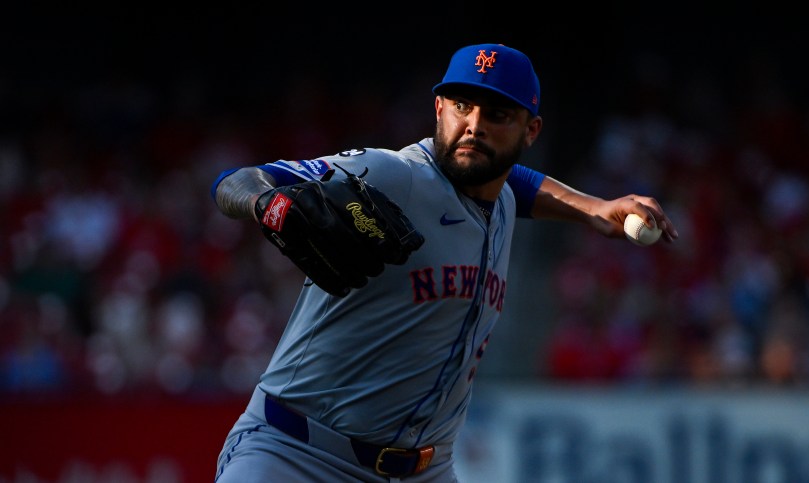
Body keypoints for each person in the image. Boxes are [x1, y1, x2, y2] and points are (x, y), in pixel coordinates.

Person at [210, 43, 679, 482]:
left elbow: (512, 180)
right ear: (439, 109)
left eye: (496, 114)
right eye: (461, 106)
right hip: (298, 455)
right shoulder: (396, 174)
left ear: (530, 131)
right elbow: (236, 181)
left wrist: (593, 207)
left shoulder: (500, 195)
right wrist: (272, 207)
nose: (474, 125)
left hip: (424, 471)